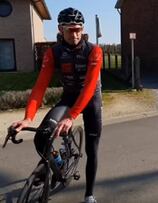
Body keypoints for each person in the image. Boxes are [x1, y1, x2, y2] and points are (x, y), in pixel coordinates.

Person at [10, 7, 103, 203]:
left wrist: (71, 117)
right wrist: (28, 117)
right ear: (61, 29)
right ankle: (58, 165)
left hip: (91, 99)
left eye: (78, 29)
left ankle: (89, 195)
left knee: (92, 150)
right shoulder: (54, 53)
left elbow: (88, 87)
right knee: (41, 137)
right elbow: (40, 86)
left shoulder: (94, 51)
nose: (76, 34)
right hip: (69, 97)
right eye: (70, 30)